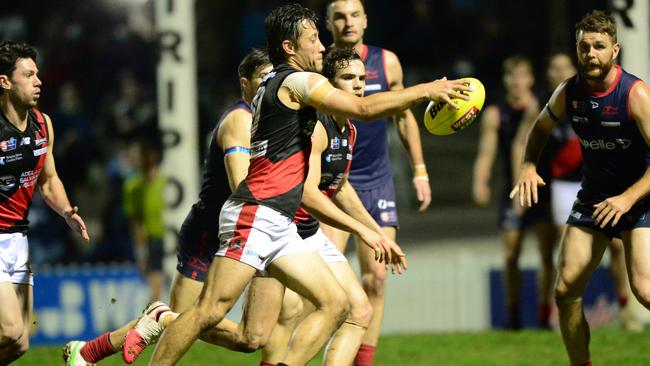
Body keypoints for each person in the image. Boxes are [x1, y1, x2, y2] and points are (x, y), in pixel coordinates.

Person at [148, 3, 469, 365]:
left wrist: (368, 229)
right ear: (289, 48)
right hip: (256, 214)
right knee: (209, 311)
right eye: (313, 40)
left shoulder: (276, 83)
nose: (321, 47)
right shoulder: (297, 80)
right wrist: (424, 90)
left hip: (280, 220)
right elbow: (362, 109)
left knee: (335, 303)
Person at [62, 48, 276, 366]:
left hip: (257, 229)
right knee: (191, 323)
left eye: (273, 80)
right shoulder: (240, 121)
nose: (268, 87)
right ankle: (115, 339)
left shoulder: (271, 122)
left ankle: (92, 350)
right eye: (262, 80)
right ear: (244, 83)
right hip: (214, 233)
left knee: (251, 335)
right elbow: (241, 186)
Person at [510, 10, 650, 366]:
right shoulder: (569, 91)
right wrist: (528, 165)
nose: (590, 54)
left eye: (599, 47)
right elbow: (539, 129)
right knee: (565, 290)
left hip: (639, 197)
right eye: (584, 47)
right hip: (593, 199)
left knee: (645, 289)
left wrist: (628, 198)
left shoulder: (635, 94)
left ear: (614, 50)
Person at [323, 1, 432, 363]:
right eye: (339, 15)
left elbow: (403, 116)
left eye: (355, 14)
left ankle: (363, 360)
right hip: (334, 183)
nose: (348, 22)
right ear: (328, 23)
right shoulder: (319, 68)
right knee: (329, 282)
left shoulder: (387, 63)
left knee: (377, 279)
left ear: (366, 21)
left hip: (377, 181)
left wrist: (419, 169)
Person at [0, 41, 89, 364]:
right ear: (5, 82)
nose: (38, 81)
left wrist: (66, 211)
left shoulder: (43, 124)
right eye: (28, 75)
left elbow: (48, 181)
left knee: (20, 344)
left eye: (37, 74)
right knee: (9, 330)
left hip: (18, 240)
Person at [544, 51, 634, 330]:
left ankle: (624, 306)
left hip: (597, 184)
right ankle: (564, 309)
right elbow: (531, 134)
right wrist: (525, 170)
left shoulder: (594, 97)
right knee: (568, 250)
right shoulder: (555, 101)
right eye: (554, 68)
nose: (559, 73)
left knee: (617, 249)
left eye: (564, 67)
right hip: (564, 185)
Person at [473, 55, 558, 329]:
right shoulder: (495, 113)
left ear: (531, 79)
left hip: (543, 189)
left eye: (523, 76)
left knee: (547, 254)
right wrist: (481, 181)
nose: (517, 82)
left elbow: (523, 146)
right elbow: (487, 152)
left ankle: (545, 315)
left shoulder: (543, 108)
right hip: (514, 191)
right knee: (511, 256)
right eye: (512, 76)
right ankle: (513, 316)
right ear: (505, 80)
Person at [122, 138, 166, 302]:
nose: (133, 158)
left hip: (179, 238)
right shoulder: (132, 186)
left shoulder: (170, 179)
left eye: (137, 154)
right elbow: (136, 222)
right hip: (155, 241)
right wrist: (141, 252)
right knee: (156, 294)